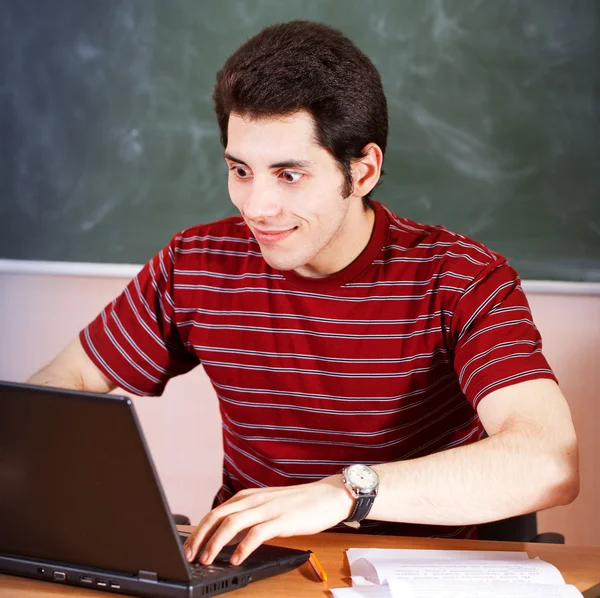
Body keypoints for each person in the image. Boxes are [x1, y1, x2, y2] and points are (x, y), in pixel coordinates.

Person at [28, 20, 579, 567]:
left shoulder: (460, 277)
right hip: (255, 569)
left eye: (288, 175)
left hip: (420, 573)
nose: (256, 207)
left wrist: (343, 492)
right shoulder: (195, 263)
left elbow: (549, 462)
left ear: (361, 172)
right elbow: (58, 387)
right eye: (240, 170)